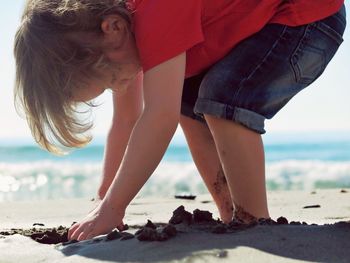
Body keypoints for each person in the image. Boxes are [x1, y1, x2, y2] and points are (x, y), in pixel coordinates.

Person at [14, 0, 346, 241]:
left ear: (112, 28)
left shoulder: (156, 9)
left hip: (309, 16)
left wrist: (114, 207)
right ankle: (231, 213)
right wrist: (105, 199)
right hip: (266, 24)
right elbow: (127, 119)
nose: (120, 87)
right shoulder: (117, 38)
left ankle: (256, 222)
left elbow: (159, 117)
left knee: (222, 98)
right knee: (187, 100)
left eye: (110, 79)